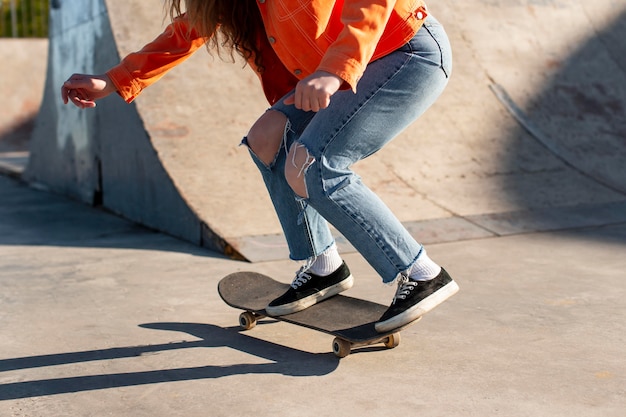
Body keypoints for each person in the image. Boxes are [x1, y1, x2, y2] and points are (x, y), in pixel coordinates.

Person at [61, 0, 458, 333]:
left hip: (404, 53)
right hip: (338, 73)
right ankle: (324, 266)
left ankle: (420, 272)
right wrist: (113, 80)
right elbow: (189, 30)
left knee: (315, 165)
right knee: (268, 139)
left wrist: (335, 68)